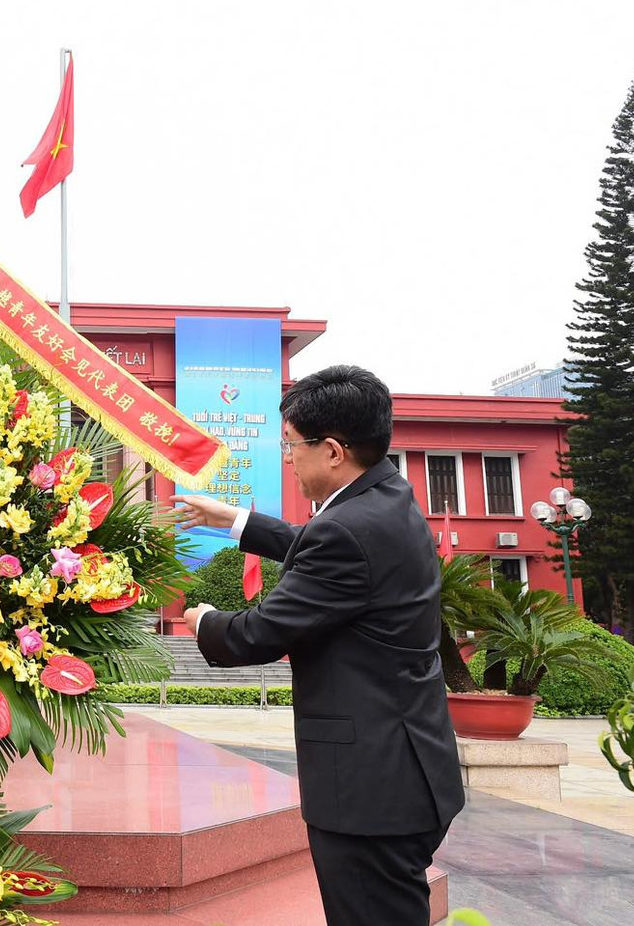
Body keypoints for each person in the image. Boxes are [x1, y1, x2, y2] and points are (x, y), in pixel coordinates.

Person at [171, 365, 464, 926]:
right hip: (405, 769)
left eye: (291, 445)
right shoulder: (386, 496)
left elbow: (257, 633)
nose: (287, 457)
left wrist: (204, 618)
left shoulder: (349, 530)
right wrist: (235, 520)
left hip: (370, 792)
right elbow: (319, 544)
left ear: (332, 451)